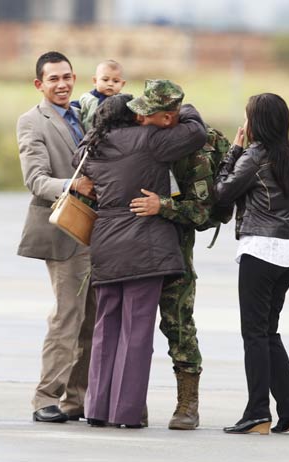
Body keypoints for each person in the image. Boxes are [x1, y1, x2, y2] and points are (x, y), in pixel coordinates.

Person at [73, 87, 207, 428]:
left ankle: (97, 409)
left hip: (105, 244)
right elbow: (195, 133)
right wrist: (184, 106)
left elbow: (79, 161)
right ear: (134, 116)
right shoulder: (149, 139)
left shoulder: (93, 146)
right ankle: (127, 412)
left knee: (105, 329)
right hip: (145, 247)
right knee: (137, 332)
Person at [129, 82, 232, 430]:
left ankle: (187, 405)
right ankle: (128, 402)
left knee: (178, 324)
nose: (141, 117)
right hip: (134, 245)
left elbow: (202, 213)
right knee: (133, 328)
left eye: (149, 113)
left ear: (169, 117)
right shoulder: (143, 134)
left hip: (175, 247)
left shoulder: (197, 151)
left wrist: (163, 206)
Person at [214, 93, 289, 435]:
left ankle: (257, 413)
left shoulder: (254, 155)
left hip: (259, 251)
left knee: (254, 335)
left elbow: (222, 191)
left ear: (257, 123)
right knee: (268, 333)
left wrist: (233, 151)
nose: (244, 123)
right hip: (287, 253)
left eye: (247, 117)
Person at [17, 51, 97, 423]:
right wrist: (72, 184)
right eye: (53, 79)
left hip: (100, 232)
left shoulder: (88, 113)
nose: (62, 84)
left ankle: (75, 400)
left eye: (67, 77)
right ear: (40, 84)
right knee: (67, 316)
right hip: (64, 230)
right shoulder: (32, 122)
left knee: (91, 320)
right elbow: (35, 179)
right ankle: (45, 398)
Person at [72, 59, 126, 131]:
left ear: (122, 84)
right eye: (105, 80)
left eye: (116, 81)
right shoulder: (88, 98)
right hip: (88, 137)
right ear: (95, 81)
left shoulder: (122, 102)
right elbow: (75, 106)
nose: (110, 84)